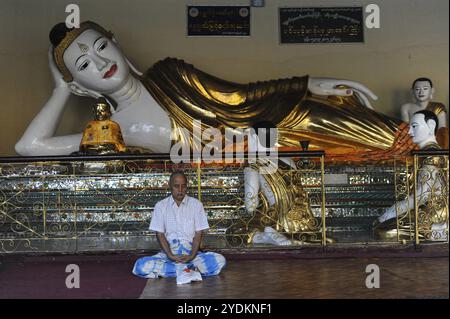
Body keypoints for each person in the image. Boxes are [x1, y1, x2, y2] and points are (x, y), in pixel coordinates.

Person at [15, 21, 412, 158]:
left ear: (115, 41)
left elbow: (238, 96)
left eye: (102, 46)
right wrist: (59, 89)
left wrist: (311, 83)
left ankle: (426, 155)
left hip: (265, 126)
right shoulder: (110, 132)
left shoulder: (170, 74)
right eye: (84, 66)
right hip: (237, 160)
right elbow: (28, 148)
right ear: (81, 86)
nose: (101, 63)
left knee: (363, 127)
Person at [132, 171, 226, 279]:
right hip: (168, 255)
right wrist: (171, 255)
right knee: (140, 265)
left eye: (183, 186)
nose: (180, 190)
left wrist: (191, 256)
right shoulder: (160, 206)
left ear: (187, 187)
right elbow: (160, 234)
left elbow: (198, 233)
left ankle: (175, 270)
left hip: (191, 255)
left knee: (220, 260)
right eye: (176, 186)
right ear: (170, 186)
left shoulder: (196, 205)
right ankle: (189, 270)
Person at [375, 110, 447, 240]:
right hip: (425, 210)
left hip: (435, 214)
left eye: (414, 126)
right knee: (382, 227)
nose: (409, 132)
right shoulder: (425, 153)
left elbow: (423, 194)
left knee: (384, 231)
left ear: (431, 125)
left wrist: (394, 210)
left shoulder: (431, 154)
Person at [400, 77, 448, 147]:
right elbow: (405, 130)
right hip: (412, 142)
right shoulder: (406, 107)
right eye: (417, 89)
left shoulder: (438, 107)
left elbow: (442, 130)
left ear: (432, 91)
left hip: (434, 142)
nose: (421, 92)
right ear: (412, 91)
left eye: (425, 89)